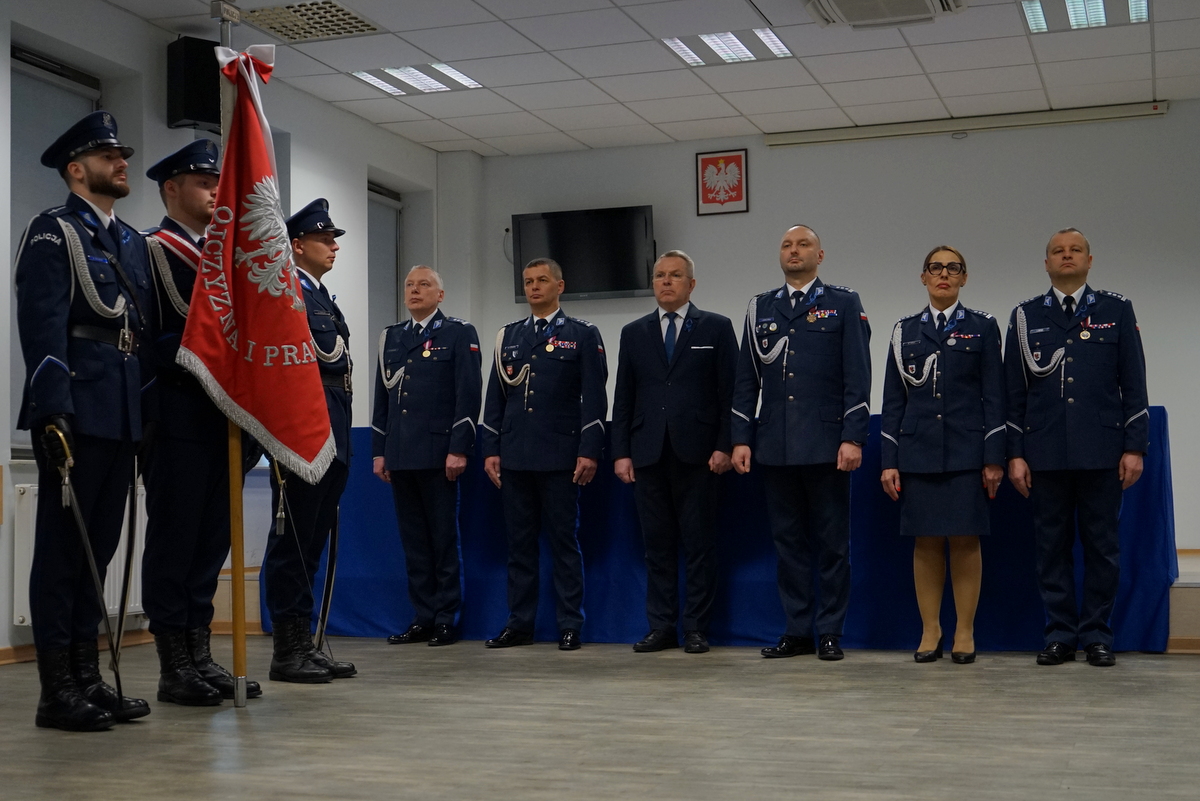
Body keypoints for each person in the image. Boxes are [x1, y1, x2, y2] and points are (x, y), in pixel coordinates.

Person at [15, 110, 153, 730]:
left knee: (100, 550)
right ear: (76, 169)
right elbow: (42, 326)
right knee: (62, 553)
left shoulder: (130, 243)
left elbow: (139, 336)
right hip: (76, 409)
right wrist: (52, 409)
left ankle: (88, 677)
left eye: (121, 155)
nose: (121, 163)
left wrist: (144, 415)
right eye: (107, 156)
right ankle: (57, 690)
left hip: (121, 413)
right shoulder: (53, 231)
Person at [140, 140, 263, 705]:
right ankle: (173, 664)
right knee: (176, 541)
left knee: (212, 543)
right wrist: (208, 359)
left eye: (218, 181)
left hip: (225, 421)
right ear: (171, 189)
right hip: (177, 416)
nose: (216, 190)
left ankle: (200, 654)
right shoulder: (151, 251)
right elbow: (147, 338)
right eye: (202, 181)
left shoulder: (228, 259)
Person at [1005, 228, 1148, 667]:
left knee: (1102, 548)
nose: (1066, 256)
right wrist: (1015, 453)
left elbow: (1134, 383)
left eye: (1075, 250)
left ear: (1089, 260)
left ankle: (1098, 635)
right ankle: (1061, 635)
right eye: (1058, 251)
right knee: (1051, 548)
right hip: (1045, 451)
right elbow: (1014, 393)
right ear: (1046, 263)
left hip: (1102, 450)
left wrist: (1135, 447)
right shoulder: (1025, 316)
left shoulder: (1115, 309)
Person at [730, 224, 871, 661]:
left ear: (819, 255)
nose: (794, 251)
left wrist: (853, 437)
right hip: (776, 443)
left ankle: (829, 631)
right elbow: (746, 379)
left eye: (803, 244)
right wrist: (740, 437)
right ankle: (797, 631)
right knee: (788, 545)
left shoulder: (843, 302)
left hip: (827, 443)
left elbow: (857, 374)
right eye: (787, 245)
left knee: (832, 545)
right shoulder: (760, 307)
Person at [879, 246, 1005, 664]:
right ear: (924, 277)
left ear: (964, 278)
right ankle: (930, 629)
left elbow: (995, 396)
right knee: (926, 541)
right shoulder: (904, 331)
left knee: (966, 540)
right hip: (918, 451)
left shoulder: (983, 327)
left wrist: (994, 456)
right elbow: (893, 401)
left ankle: (964, 631)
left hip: (968, 451)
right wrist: (889, 460)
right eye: (935, 268)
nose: (944, 274)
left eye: (953, 268)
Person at [611, 250, 737, 654]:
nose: (666, 281)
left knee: (699, 546)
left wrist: (724, 445)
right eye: (660, 275)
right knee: (657, 547)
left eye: (675, 275)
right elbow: (624, 397)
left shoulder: (717, 327)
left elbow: (730, 394)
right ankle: (661, 627)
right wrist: (621, 452)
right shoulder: (634, 332)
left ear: (691, 284)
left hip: (700, 455)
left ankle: (696, 628)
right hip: (648, 453)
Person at [481, 258, 608, 651]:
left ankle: (570, 624)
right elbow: (495, 399)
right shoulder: (509, 336)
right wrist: (490, 450)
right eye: (528, 282)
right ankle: (519, 624)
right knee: (519, 546)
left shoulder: (581, 333)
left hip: (559, 456)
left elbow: (595, 397)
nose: (534, 287)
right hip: (515, 455)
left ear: (559, 286)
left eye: (541, 280)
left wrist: (589, 450)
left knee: (563, 543)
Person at [261, 198, 356, 682]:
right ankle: (287, 648)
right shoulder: (287, 294)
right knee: (292, 544)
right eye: (324, 238)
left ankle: (305, 641)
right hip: (302, 436)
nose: (333, 246)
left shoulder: (321, 298)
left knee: (313, 544)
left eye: (334, 239)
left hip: (334, 432)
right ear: (297, 246)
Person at [372, 266, 482, 647]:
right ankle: (422, 616)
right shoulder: (392, 337)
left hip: (439, 454)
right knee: (414, 543)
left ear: (440, 295)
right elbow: (383, 398)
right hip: (401, 453)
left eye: (424, 285)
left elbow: (468, 393)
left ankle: (446, 618)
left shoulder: (457, 333)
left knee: (443, 540)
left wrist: (459, 447)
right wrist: (380, 451)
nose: (415, 290)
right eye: (409, 285)